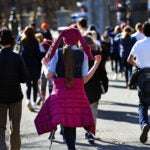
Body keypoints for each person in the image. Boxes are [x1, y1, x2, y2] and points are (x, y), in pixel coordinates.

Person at [34, 27, 101, 150]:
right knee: (72, 124)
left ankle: (69, 145)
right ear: (77, 40)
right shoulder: (83, 55)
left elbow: (49, 76)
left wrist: (44, 64)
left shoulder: (58, 53)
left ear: (64, 40)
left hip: (59, 95)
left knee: (64, 123)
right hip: (77, 95)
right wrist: (96, 64)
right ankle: (71, 146)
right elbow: (84, 79)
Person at [0, 28, 29, 150]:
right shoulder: (17, 58)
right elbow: (25, 78)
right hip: (15, 96)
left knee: (0, 128)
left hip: (0, 98)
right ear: (12, 41)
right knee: (15, 127)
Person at [83, 34, 108, 144]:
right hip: (94, 88)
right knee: (93, 110)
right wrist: (105, 85)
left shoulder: (78, 56)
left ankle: (86, 128)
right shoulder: (98, 56)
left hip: (80, 88)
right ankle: (90, 133)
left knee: (82, 111)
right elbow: (103, 73)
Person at [127, 21, 150, 144]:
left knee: (142, 104)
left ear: (143, 31)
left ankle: (144, 124)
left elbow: (129, 59)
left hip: (143, 77)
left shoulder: (138, 44)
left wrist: (139, 65)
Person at [20, 26, 42, 111]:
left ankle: (28, 100)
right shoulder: (35, 42)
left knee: (28, 85)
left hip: (26, 66)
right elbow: (38, 54)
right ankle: (34, 102)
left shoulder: (23, 41)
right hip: (35, 66)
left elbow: (21, 55)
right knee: (35, 85)